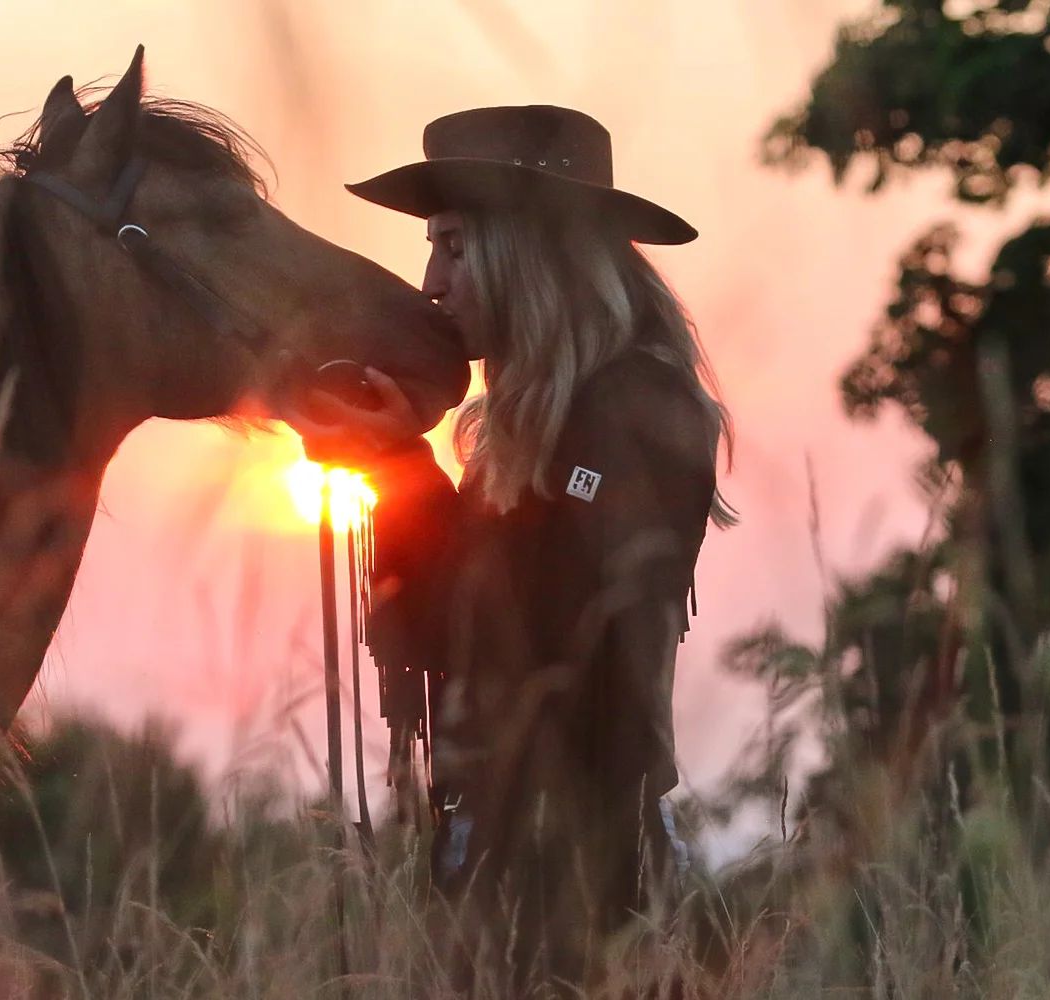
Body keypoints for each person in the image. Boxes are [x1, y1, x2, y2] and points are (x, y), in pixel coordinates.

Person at [288, 105, 734, 988]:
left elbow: (525, 633)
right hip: (507, 852)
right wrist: (391, 463)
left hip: (577, 871)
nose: (431, 281)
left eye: (454, 245)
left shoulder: (632, 411)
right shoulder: (546, 419)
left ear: (529, 250)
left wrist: (402, 467)